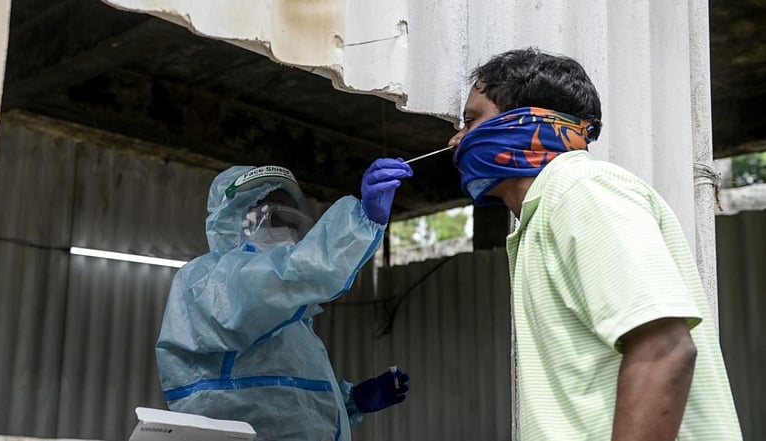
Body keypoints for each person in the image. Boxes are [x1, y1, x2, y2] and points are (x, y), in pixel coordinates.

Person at [449, 48, 742, 440]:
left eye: (471, 121)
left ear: (525, 121)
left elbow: (664, 350)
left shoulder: (580, 190)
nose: (456, 141)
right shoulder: (545, 214)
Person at [156, 161, 413, 440]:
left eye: (293, 225)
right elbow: (294, 273)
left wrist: (351, 402)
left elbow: (282, 402)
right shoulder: (209, 281)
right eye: (275, 221)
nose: (289, 235)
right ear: (234, 221)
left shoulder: (289, 317)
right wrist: (359, 222)